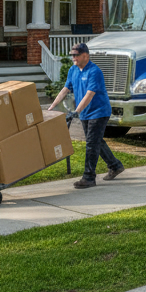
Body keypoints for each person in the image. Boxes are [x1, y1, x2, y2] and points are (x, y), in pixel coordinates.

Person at [48, 42, 123, 188]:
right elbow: (65, 89)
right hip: (85, 113)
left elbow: (89, 95)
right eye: (72, 55)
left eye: (76, 55)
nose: (73, 58)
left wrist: (76, 111)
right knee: (96, 141)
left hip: (99, 111)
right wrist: (51, 108)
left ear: (85, 56)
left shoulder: (94, 71)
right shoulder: (73, 70)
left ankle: (89, 177)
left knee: (91, 143)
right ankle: (115, 166)